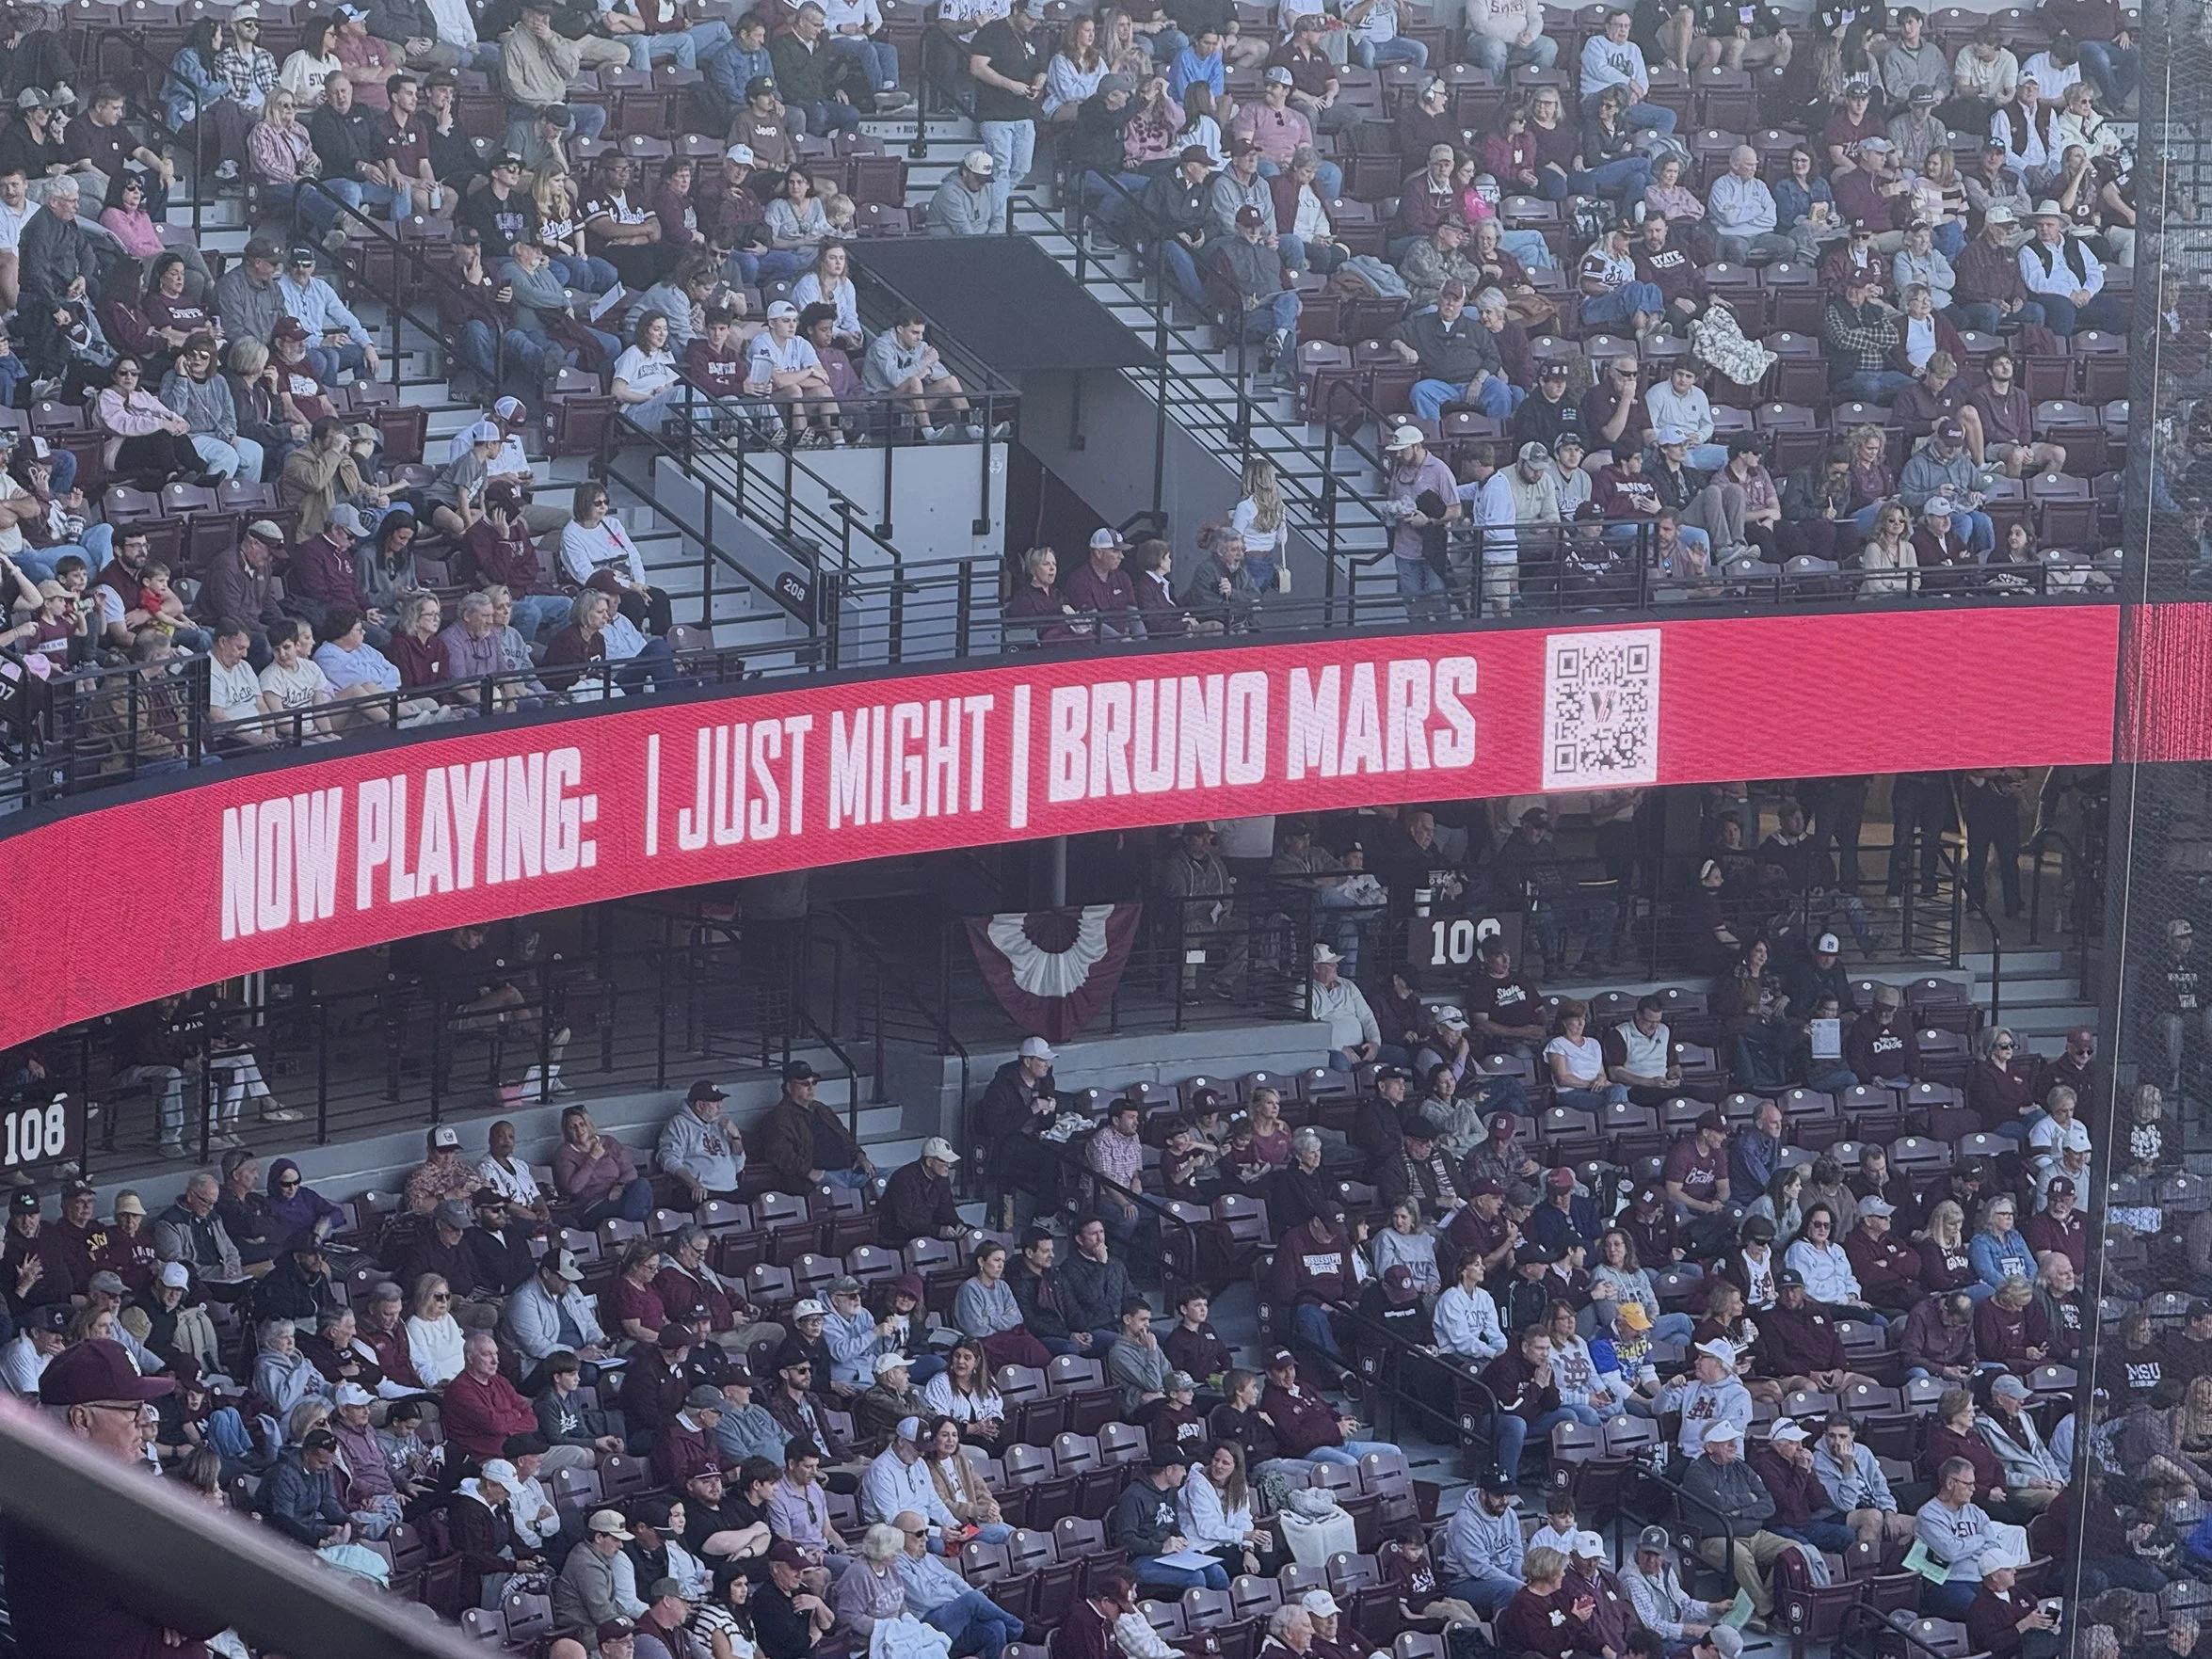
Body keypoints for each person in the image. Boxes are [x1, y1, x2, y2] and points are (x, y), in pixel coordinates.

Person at [1113, 1451, 1229, 1590]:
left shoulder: (1171, 1492)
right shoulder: (1134, 1496)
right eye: (1181, 1468)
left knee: (1217, 1573)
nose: (1185, 1473)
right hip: (1141, 1560)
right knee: (1195, 1577)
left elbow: (1173, 1524)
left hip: (1170, 1556)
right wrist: (1160, 1547)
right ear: (1168, 1470)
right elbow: (1125, 1539)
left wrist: (1180, 1537)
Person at [1915, 1456, 2002, 1618]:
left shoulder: (1975, 1511)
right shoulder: (1929, 1514)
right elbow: (1951, 1552)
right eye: (1968, 1484)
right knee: (1984, 1614)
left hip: (1980, 1579)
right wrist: (1979, 1539)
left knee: (2012, 1607)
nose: (1973, 1489)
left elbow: (1993, 1548)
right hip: (1945, 1583)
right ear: (1950, 1483)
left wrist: (1963, 1547)